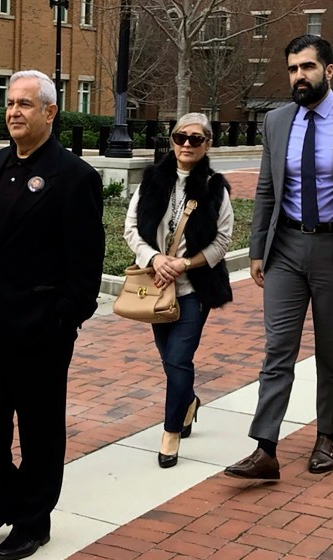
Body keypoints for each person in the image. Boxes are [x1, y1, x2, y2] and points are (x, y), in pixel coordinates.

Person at [0, 70, 105, 560]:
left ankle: (32, 520)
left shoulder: (75, 176)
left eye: (25, 103)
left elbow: (86, 267)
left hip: (40, 329)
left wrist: (63, 318)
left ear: (49, 112)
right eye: (10, 102)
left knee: (39, 430)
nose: (13, 111)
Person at [224, 35, 333, 481]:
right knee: (278, 349)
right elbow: (265, 190)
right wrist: (257, 248)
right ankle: (266, 448)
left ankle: (327, 437)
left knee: (331, 350)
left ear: (328, 71)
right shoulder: (276, 121)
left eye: (308, 67)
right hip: (286, 249)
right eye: (293, 69)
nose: (299, 76)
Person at [124, 113, 234, 469]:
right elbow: (131, 230)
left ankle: (170, 432)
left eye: (196, 139)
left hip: (194, 290)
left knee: (178, 359)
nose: (187, 144)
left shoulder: (216, 187)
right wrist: (155, 259)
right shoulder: (152, 179)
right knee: (169, 360)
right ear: (171, 140)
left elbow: (223, 240)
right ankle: (188, 403)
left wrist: (184, 264)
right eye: (180, 136)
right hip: (156, 288)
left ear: (207, 144)